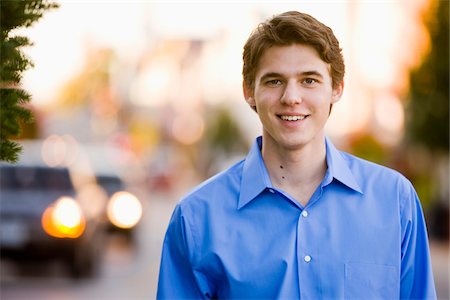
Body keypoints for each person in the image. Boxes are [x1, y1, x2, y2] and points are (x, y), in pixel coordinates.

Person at [157, 11, 437, 299]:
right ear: (249, 91)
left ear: (337, 89)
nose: (291, 97)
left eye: (310, 80)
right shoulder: (196, 217)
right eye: (274, 81)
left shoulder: (395, 200)